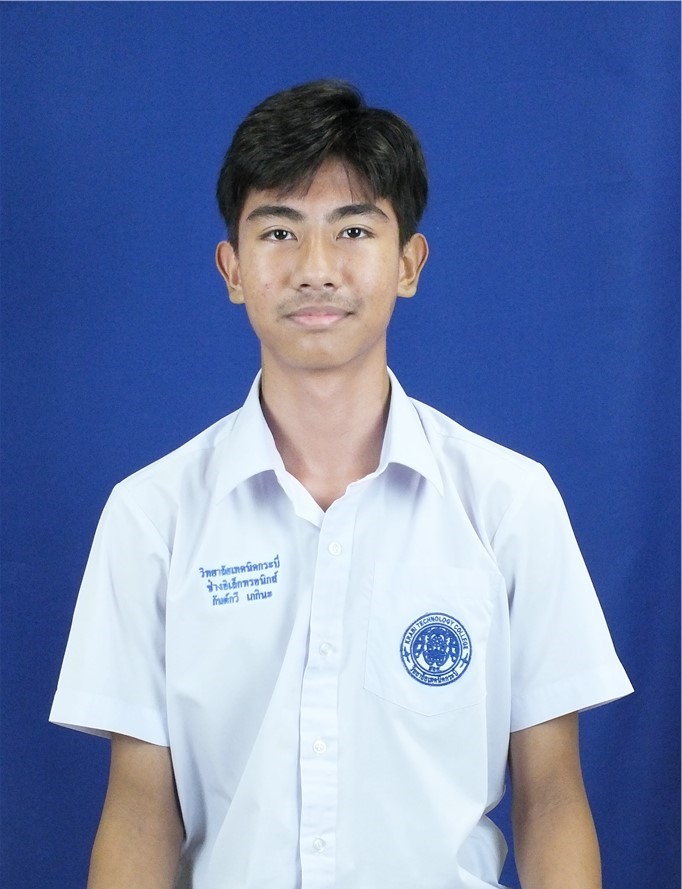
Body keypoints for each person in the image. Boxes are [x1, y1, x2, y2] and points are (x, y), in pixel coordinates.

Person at [51, 79, 633, 889]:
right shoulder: (152, 515)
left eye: (353, 229)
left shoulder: (509, 502)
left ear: (408, 264)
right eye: (278, 232)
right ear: (231, 268)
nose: (315, 269)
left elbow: (552, 794)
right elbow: (142, 808)